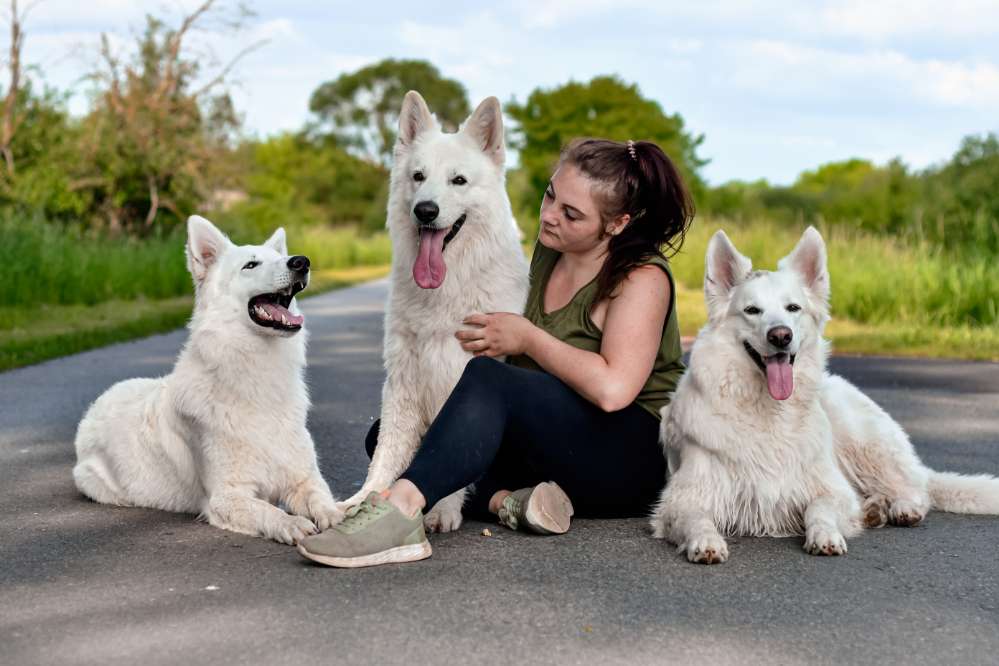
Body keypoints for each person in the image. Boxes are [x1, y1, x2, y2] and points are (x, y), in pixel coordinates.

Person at [298, 138, 694, 568]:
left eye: (571, 214)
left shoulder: (642, 277)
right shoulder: (551, 250)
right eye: (550, 195)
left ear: (616, 224)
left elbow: (614, 390)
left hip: (631, 460)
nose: (549, 216)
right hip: (561, 451)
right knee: (402, 439)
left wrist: (526, 338)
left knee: (488, 382)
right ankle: (509, 502)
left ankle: (401, 512)